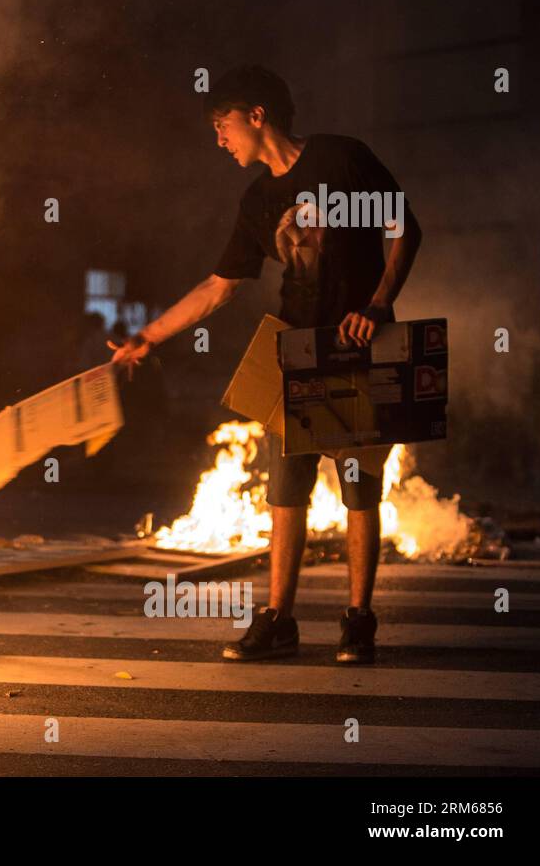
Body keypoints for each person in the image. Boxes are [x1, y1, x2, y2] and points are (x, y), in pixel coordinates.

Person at [110, 65, 423, 664]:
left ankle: (359, 621)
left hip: (356, 347)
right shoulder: (257, 200)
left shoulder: (341, 159)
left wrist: (378, 304)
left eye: (222, 125)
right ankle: (278, 619)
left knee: (359, 488)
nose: (219, 140)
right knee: (286, 490)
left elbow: (404, 229)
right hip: (294, 351)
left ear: (257, 115)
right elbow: (219, 285)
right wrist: (148, 335)